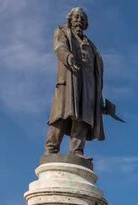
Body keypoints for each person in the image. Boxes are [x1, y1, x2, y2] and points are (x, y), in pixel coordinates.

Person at [45, 7, 105, 159]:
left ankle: (77, 151)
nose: (79, 20)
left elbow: (97, 69)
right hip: (69, 79)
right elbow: (60, 47)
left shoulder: (92, 46)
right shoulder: (63, 32)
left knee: (83, 117)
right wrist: (67, 57)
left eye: (82, 19)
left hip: (89, 84)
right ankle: (51, 149)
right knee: (61, 114)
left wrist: (99, 99)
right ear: (70, 19)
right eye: (76, 17)